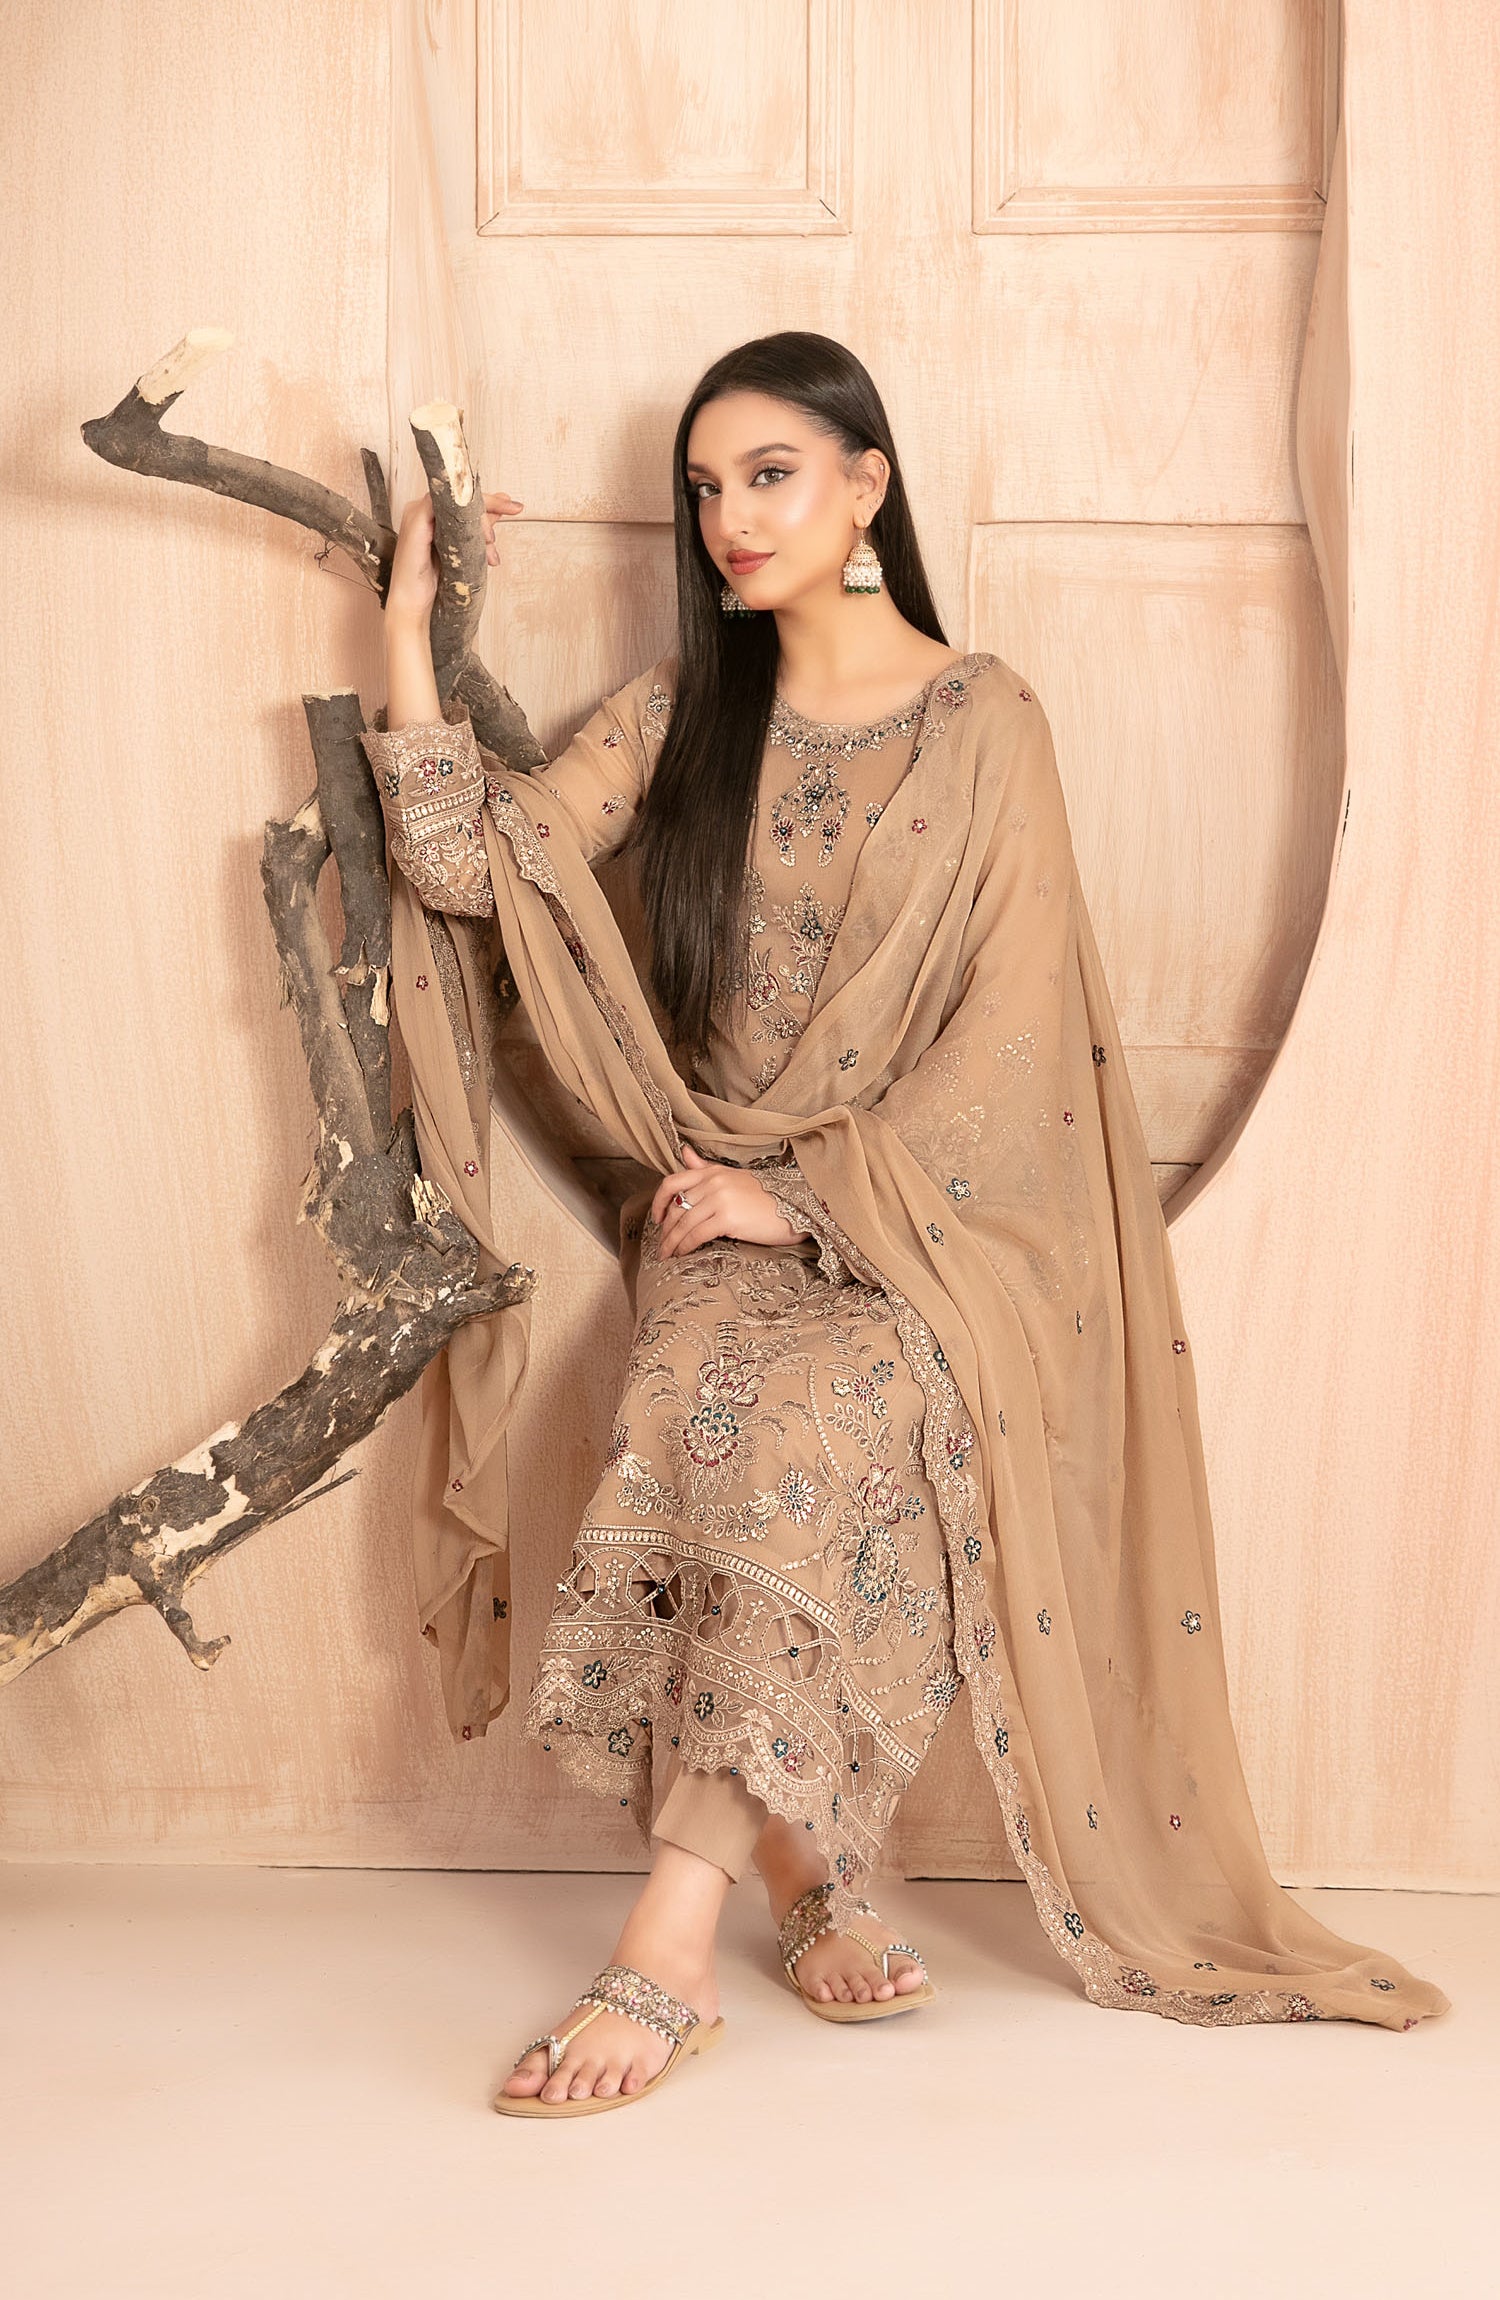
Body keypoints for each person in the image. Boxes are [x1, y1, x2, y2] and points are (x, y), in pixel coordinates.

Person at [361, 332, 1449, 2119]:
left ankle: (669, 1945)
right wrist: (410, 630)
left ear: (867, 484)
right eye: (705, 488)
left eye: (770, 474)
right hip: (702, 1207)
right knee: (697, 1407)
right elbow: (481, 872)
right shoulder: (678, 714)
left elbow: (1013, 1051)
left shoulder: (987, 723)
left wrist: (803, 1198)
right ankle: (800, 1863)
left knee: (824, 1418)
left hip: (926, 1236)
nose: (730, 518)